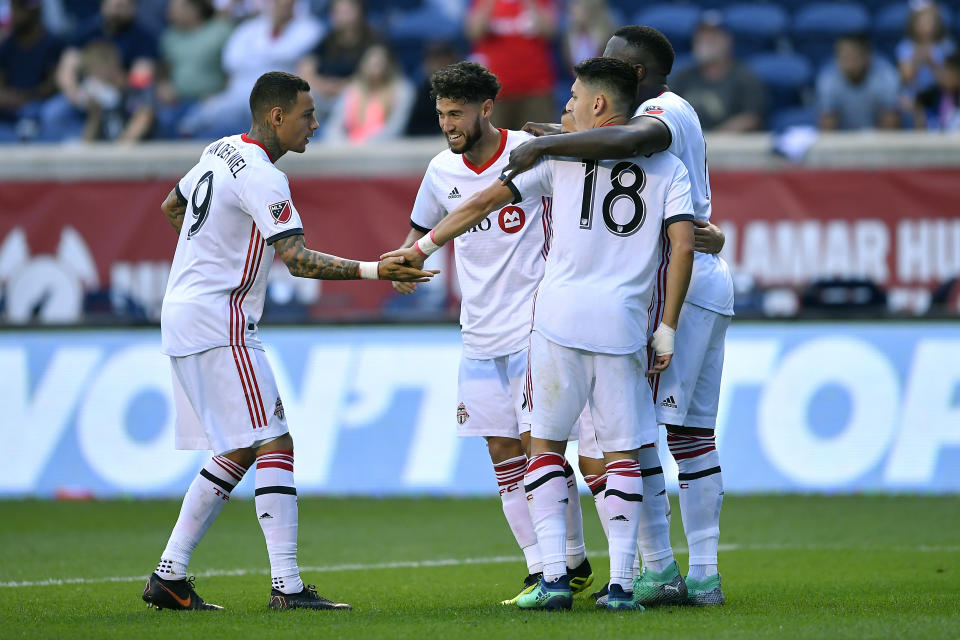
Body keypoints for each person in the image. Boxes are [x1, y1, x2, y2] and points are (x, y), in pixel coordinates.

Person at [384, 56, 695, 611]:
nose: (564, 106)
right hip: (619, 325)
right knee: (617, 451)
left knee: (549, 448)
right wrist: (667, 325)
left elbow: (485, 200)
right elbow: (686, 244)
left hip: (550, 322)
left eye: (573, 97)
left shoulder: (557, 160)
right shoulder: (668, 166)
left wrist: (424, 247)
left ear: (599, 104)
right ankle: (620, 583)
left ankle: (559, 577)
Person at [141, 71, 437, 612]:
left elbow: (172, 207)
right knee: (275, 443)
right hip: (219, 319)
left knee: (236, 447)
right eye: (308, 115)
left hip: (182, 312)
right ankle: (289, 587)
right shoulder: (262, 176)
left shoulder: (221, 148)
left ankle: (169, 576)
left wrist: (209, 253)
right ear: (276, 116)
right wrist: (377, 269)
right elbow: (298, 261)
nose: (316, 124)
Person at [502, 24, 735, 607]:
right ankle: (703, 575)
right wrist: (557, 131)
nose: (593, 71)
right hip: (707, 282)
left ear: (630, 75)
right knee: (692, 434)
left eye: (606, 63)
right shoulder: (672, 112)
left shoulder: (662, 112)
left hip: (671, 283)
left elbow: (631, 142)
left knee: (636, 433)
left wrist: (546, 145)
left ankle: (657, 568)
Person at [387, 60, 594, 606]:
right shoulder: (439, 171)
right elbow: (419, 228)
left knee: (539, 448)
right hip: (477, 332)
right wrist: (406, 263)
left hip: (533, 326)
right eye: (440, 115)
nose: (447, 125)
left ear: (485, 109)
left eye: (456, 114)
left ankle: (562, 564)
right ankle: (547, 567)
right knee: (502, 452)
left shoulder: (529, 154)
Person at [178, 0, 322, 139]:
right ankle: (186, 132)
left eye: (288, 3)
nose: (283, 6)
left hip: (278, 95)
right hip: (240, 90)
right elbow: (232, 59)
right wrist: (267, 57)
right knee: (213, 110)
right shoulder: (251, 27)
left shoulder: (309, 27)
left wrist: (256, 55)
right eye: (279, 2)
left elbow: (288, 53)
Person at [41, 0, 157, 141]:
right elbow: (65, 72)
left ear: (133, 8)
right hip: (84, 94)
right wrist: (79, 97)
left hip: (121, 96)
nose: (116, 11)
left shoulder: (144, 37)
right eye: (113, 5)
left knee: (139, 110)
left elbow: (140, 80)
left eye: (122, 6)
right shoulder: (87, 31)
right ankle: (70, 148)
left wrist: (112, 86)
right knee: (53, 112)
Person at [465, 0, 559, 130]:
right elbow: (474, 32)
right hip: (495, 90)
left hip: (536, 87)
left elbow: (550, 31)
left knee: (539, 143)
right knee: (496, 146)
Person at [668, 15, 765, 132]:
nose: (706, 42)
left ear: (728, 41)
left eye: (713, 37)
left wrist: (715, 138)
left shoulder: (744, 77)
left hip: (729, 145)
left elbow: (752, 118)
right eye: (702, 38)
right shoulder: (682, 76)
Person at [155, 0, 233, 138]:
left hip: (211, 102)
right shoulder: (169, 36)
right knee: (164, 119)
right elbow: (164, 70)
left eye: (176, 7)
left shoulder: (221, 31)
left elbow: (232, 69)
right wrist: (163, 85)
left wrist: (224, 97)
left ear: (194, 9)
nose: (169, 11)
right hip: (177, 102)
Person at [297, 0, 381, 124]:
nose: (342, 16)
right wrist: (322, 85)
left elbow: (375, 74)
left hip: (357, 94)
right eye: (338, 12)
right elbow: (305, 67)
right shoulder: (328, 39)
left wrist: (341, 86)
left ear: (360, 12)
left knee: (351, 96)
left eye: (347, 11)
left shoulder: (372, 40)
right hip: (324, 94)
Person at [322, 43, 414, 143]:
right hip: (349, 151)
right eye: (370, 62)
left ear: (388, 65)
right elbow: (333, 126)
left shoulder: (402, 91)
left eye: (379, 63)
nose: (374, 67)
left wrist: (365, 144)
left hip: (385, 151)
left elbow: (395, 127)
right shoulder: (352, 90)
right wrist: (343, 146)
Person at [0, 0, 63, 142]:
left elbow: (53, 86)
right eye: (12, 11)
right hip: (10, 108)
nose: (13, 17)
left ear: (34, 12)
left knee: (45, 112)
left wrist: (24, 98)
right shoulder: (7, 45)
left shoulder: (53, 43)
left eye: (18, 11)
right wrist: (6, 96)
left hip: (39, 107)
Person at [816, 33, 900, 130]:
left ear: (867, 56)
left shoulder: (886, 76)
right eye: (843, 57)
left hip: (878, 139)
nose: (849, 63)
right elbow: (827, 126)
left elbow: (890, 123)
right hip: (842, 140)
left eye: (853, 57)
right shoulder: (828, 78)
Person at [77, 39, 154, 142]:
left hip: (139, 153)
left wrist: (119, 151)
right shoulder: (101, 98)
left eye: (91, 72)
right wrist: (95, 115)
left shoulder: (136, 85)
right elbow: (86, 144)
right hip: (111, 153)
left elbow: (144, 117)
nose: (89, 80)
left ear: (108, 66)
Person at [896, 0, 955, 100]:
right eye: (922, 20)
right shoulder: (906, 47)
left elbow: (952, 80)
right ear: (913, 22)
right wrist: (918, 59)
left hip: (941, 96)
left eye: (930, 20)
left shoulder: (946, 46)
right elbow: (905, 78)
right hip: (914, 97)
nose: (926, 25)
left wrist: (932, 63)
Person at [914, 51, 960, 130]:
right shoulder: (934, 93)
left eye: (952, 72)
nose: (947, 76)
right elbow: (918, 102)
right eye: (946, 71)